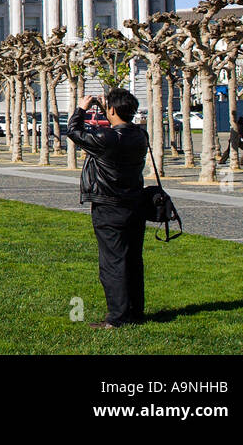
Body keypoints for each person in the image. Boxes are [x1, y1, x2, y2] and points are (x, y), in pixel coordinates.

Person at [66, 89, 149, 329]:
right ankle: (134, 311)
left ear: (111, 110)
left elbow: (73, 131)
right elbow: (119, 122)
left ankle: (117, 317)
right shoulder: (139, 136)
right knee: (133, 260)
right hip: (134, 204)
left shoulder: (106, 140)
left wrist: (82, 108)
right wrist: (108, 109)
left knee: (112, 263)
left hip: (109, 207)